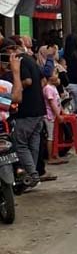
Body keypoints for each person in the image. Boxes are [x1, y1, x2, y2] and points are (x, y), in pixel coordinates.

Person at [4, 38, 48, 187]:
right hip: (38, 109)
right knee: (32, 144)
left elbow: (28, 81)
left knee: (20, 143)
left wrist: (13, 87)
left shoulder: (19, 61)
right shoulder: (30, 59)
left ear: (9, 51)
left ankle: (32, 176)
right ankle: (32, 174)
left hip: (27, 110)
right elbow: (43, 81)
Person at [43, 69, 66, 165]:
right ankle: (50, 157)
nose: (57, 76)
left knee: (55, 135)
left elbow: (58, 102)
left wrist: (62, 112)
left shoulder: (53, 87)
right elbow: (52, 103)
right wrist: (58, 115)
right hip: (49, 115)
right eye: (55, 74)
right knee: (50, 137)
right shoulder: (48, 88)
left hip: (55, 114)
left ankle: (55, 153)